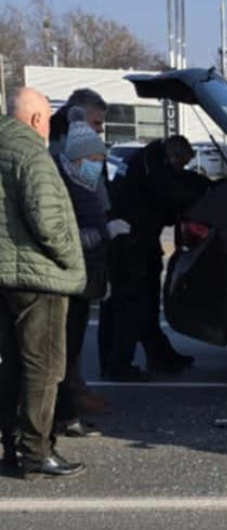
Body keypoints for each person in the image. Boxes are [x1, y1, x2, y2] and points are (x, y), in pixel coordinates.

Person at [0, 87, 87, 478]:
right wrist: (72, 262)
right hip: (40, 277)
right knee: (44, 367)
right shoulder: (32, 153)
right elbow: (47, 219)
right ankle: (37, 450)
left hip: (6, 276)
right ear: (37, 119)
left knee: (11, 365)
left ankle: (10, 445)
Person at [53, 109, 130, 438]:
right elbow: (63, 234)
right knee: (64, 353)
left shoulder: (85, 183)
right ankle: (64, 416)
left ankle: (67, 412)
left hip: (86, 277)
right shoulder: (68, 186)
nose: (98, 163)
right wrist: (104, 233)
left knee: (70, 350)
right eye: (94, 157)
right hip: (70, 279)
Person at [104, 135, 207, 380]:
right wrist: (203, 192)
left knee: (147, 305)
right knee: (133, 306)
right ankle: (120, 365)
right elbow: (172, 194)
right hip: (131, 245)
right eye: (181, 164)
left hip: (142, 243)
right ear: (174, 156)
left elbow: (175, 186)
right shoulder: (151, 167)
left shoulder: (149, 161)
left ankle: (160, 356)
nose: (181, 169)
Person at [49, 89, 110, 416]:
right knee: (65, 343)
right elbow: (59, 221)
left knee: (71, 339)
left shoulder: (75, 153)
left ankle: (71, 400)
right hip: (70, 265)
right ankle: (63, 410)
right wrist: (97, 233)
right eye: (96, 123)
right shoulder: (59, 158)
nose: (100, 130)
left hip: (83, 263)